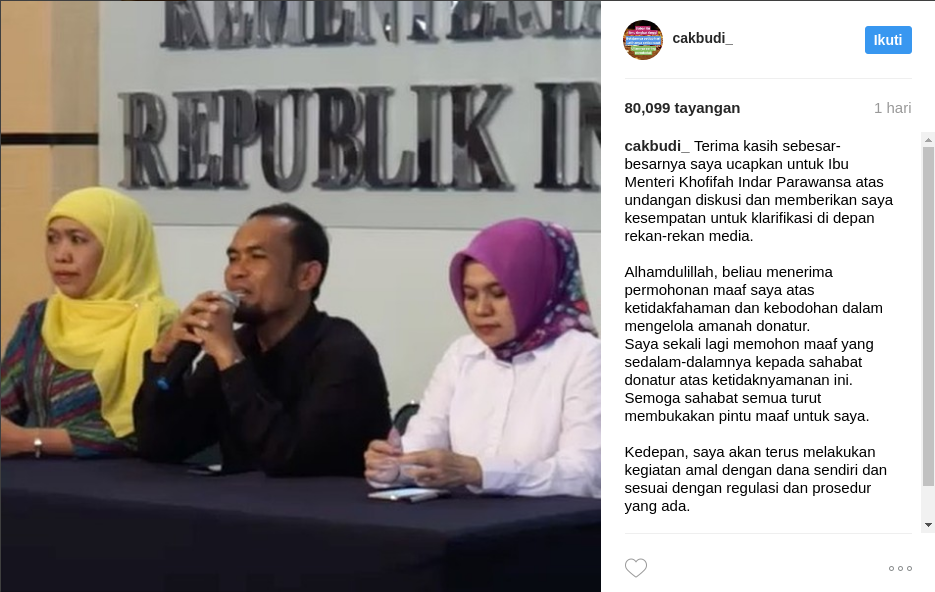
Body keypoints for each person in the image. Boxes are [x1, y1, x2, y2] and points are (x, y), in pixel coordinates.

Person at [133, 203, 393, 477]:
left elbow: (290, 459)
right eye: (233, 258)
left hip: (324, 503)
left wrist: (231, 360)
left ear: (306, 276)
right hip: (238, 501)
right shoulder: (238, 344)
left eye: (256, 257)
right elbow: (161, 445)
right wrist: (163, 356)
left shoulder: (344, 351)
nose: (236, 272)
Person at [365, 218, 601, 498]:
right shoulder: (462, 353)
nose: (481, 309)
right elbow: (423, 444)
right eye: (470, 295)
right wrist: (394, 466)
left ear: (538, 289)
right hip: (469, 522)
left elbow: (586, 474)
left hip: (559, 524)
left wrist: (480, 472)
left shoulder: (586, 356)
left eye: (498, 294)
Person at [1, 187, 179, 458]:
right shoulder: (40, 316)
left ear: (119, 248)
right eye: (52, 239)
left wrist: (33, 440)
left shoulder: (161, 323)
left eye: (77, 240)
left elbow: (151, 428)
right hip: (35, 477)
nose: (61, 255)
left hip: (125, 479)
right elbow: (5, 403)